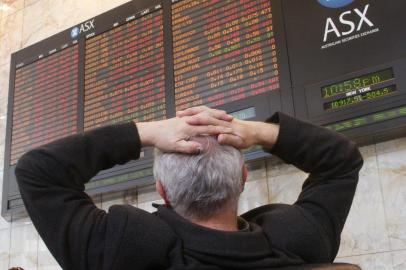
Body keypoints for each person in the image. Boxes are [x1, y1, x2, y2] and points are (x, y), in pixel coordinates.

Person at [15, 106, 363, 270]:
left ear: (161, 190)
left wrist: (144, 132)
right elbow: (341, 160)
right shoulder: (301, 242)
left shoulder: (120, 252)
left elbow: (38, 171)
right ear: (243, 177)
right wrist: (258, 132)